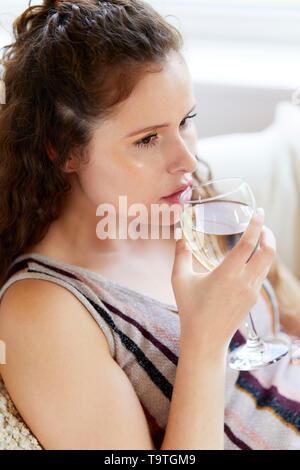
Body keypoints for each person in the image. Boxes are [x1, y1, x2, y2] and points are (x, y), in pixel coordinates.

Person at [0, 0, 299, 451]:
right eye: (147, 139)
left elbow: (287, 322)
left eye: (187, 121)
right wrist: (205, 340)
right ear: (62, 150)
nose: (188, 159)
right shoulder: (42, 311)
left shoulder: (189, 203)